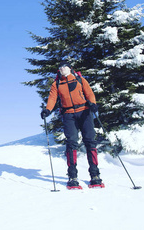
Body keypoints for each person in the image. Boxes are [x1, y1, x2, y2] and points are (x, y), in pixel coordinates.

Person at [40, 60, 103, 188]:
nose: (62, 68)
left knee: (90, 141)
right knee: (71, 144)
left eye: (64, 66)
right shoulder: (57, 84)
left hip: (84, 112)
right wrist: (47, 110)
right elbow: (52, 98)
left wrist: (93, 104)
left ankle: (95, 175)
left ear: (70, 68)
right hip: (68, 115)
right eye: (60, 67)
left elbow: (89, 92)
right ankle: (72, 177)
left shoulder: (80, 79)